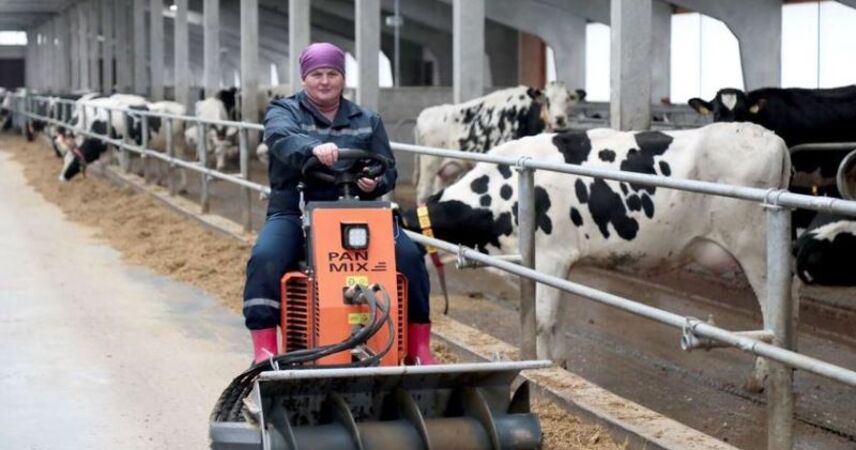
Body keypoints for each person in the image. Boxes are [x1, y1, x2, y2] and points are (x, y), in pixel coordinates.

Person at [243, 42, 435, 365]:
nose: (324, 81)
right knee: (266, 256)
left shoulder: (367, 120)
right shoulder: (283, 111)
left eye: (332, 73)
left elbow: (387, 166)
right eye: (317, 74)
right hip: (296, 209)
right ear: (304, 78)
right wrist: (313, 148)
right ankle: (265, 350)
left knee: (410, 257)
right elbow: (280, 139)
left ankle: (419, 347)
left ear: (343, 78)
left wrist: (375, 181)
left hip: (356, 212)